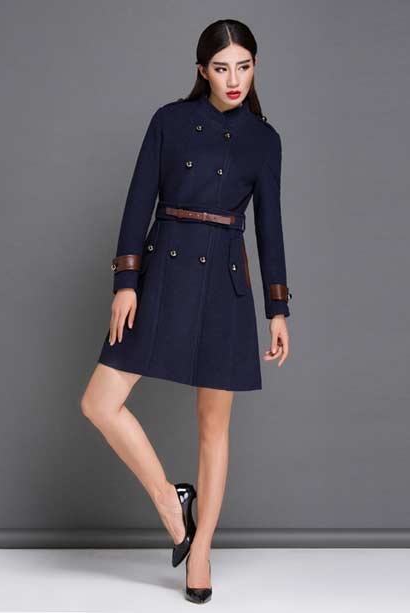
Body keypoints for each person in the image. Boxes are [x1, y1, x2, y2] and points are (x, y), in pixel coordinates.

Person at [80, 18, 291, 604]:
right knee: (99, 402)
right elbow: (137, 201)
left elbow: (270, 229)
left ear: (255, 67)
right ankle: (172, 504)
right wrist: (126, 282)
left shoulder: (264, 140)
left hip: (225, 282)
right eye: (221, 68)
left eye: (244, 66)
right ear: (202, 70)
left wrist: (277, 309)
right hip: (164, 273)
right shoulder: (169, 121)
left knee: (213, 426)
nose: (234, 79)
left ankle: (200, 553)